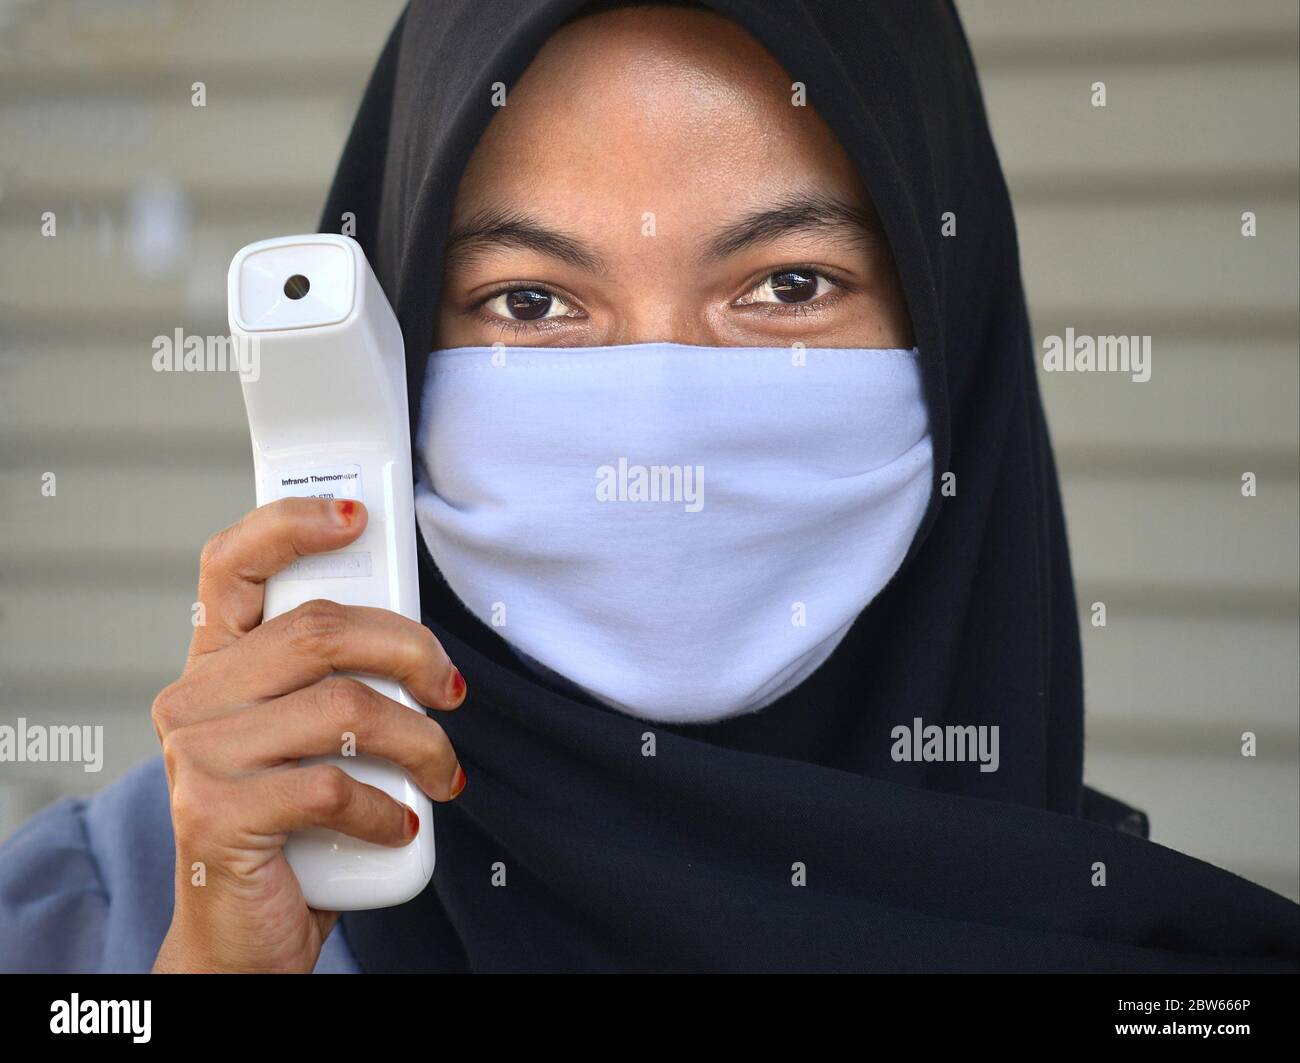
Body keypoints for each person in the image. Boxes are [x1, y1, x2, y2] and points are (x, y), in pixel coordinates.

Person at [1, 0, 1296, 974]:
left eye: (788, 285)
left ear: (950, 347)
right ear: (397, 345)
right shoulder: (88, 925)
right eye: (532, 301)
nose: (661, 420)